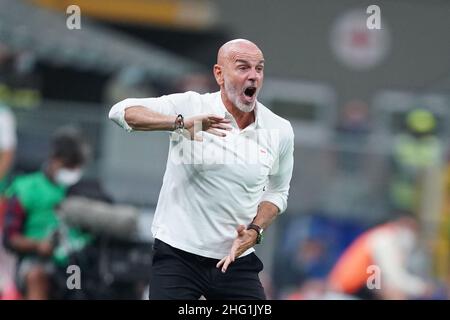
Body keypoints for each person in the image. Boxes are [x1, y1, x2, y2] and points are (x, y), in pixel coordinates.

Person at [109, 39, 294, 300]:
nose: (253, 76)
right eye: (243, 67)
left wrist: (255, 231)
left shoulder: (280, 129)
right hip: (177, 256)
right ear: (219, 74)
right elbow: (120, 112)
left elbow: (278, 191)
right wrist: (179, 124)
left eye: (259, 68)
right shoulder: (191, 106)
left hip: (235, 260)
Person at [2, 127, 90, 299]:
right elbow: (10, 238)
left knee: (79, 285)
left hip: (73, 265)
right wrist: (38, 245)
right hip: (36, 262)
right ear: (55, 160)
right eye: (69, 165)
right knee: (38, 276)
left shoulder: (80, 190)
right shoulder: (26, 188)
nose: (73, 171)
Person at [327, 214, 434, 299]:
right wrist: (422, 288)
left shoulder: (385, 239)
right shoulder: (383, 239)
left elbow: (380, 283)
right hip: (346, 294)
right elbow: (395, 277)